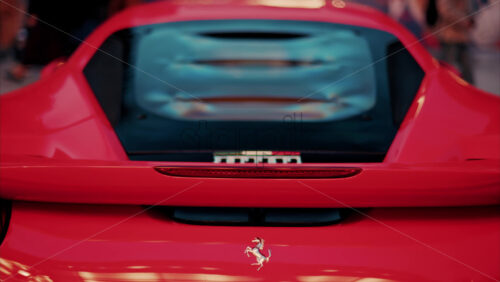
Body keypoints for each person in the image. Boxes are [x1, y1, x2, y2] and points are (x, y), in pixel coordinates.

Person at [434, 0, 475, 83]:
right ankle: (446, 90)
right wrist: (465, 21)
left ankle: (469, 92)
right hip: (450, 38)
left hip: (462, 37)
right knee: (449, 68)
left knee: (467, 70)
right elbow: (446, 11)